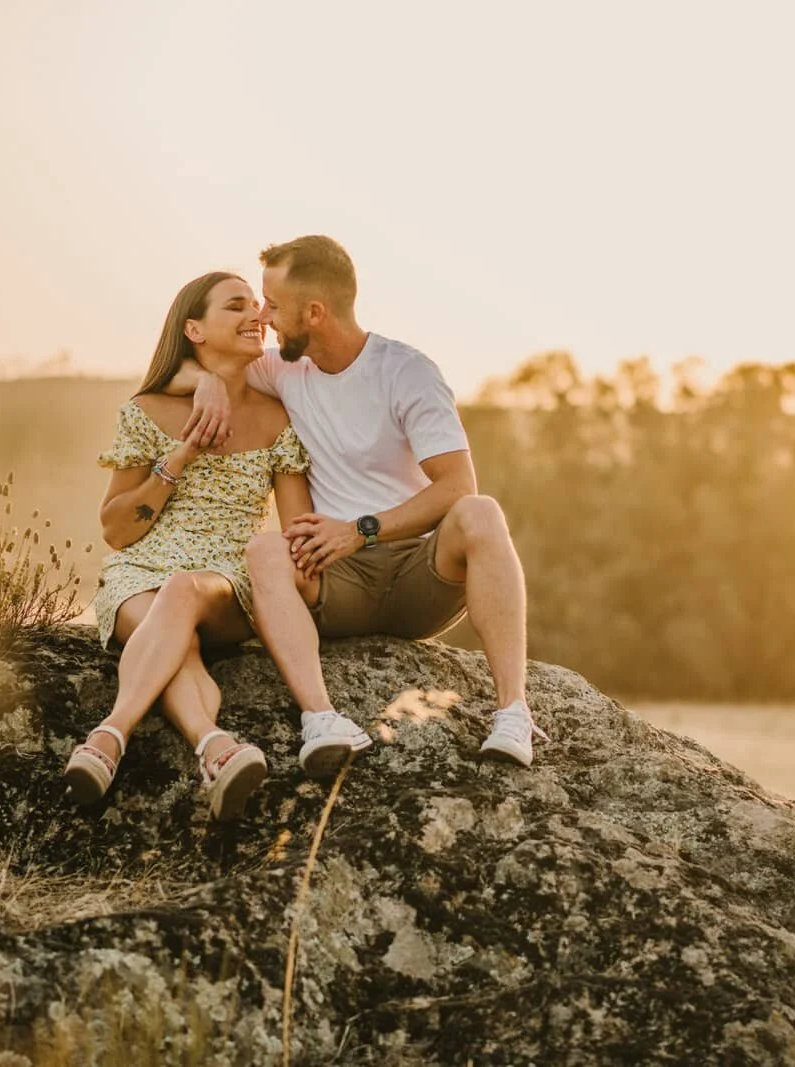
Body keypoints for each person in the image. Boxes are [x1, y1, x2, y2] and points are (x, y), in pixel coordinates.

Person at [172, 236, 546, 775]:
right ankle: (321, 719)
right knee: (265, 549)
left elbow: (455, 486)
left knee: (481, 511)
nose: (264, 318)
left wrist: (359, 529)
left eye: (273, 305)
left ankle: (513, 712)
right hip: (337, 582)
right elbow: (188, 360)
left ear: (315, 313)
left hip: (421, 571)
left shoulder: (406, 371)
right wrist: (206, 381)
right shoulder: (281, 368)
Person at [64, 272, 312, 818]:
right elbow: (117, 530)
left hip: (228, 580)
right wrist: (180, 456)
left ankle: (109, 734)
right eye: (235, 306)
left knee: (181, 592)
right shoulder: (146, 411)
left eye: (255, 305)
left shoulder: (277, 419)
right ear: (194, 329)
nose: (256, 315)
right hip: (139, 572)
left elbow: (298, 532)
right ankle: (215, 746)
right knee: (176, 640)